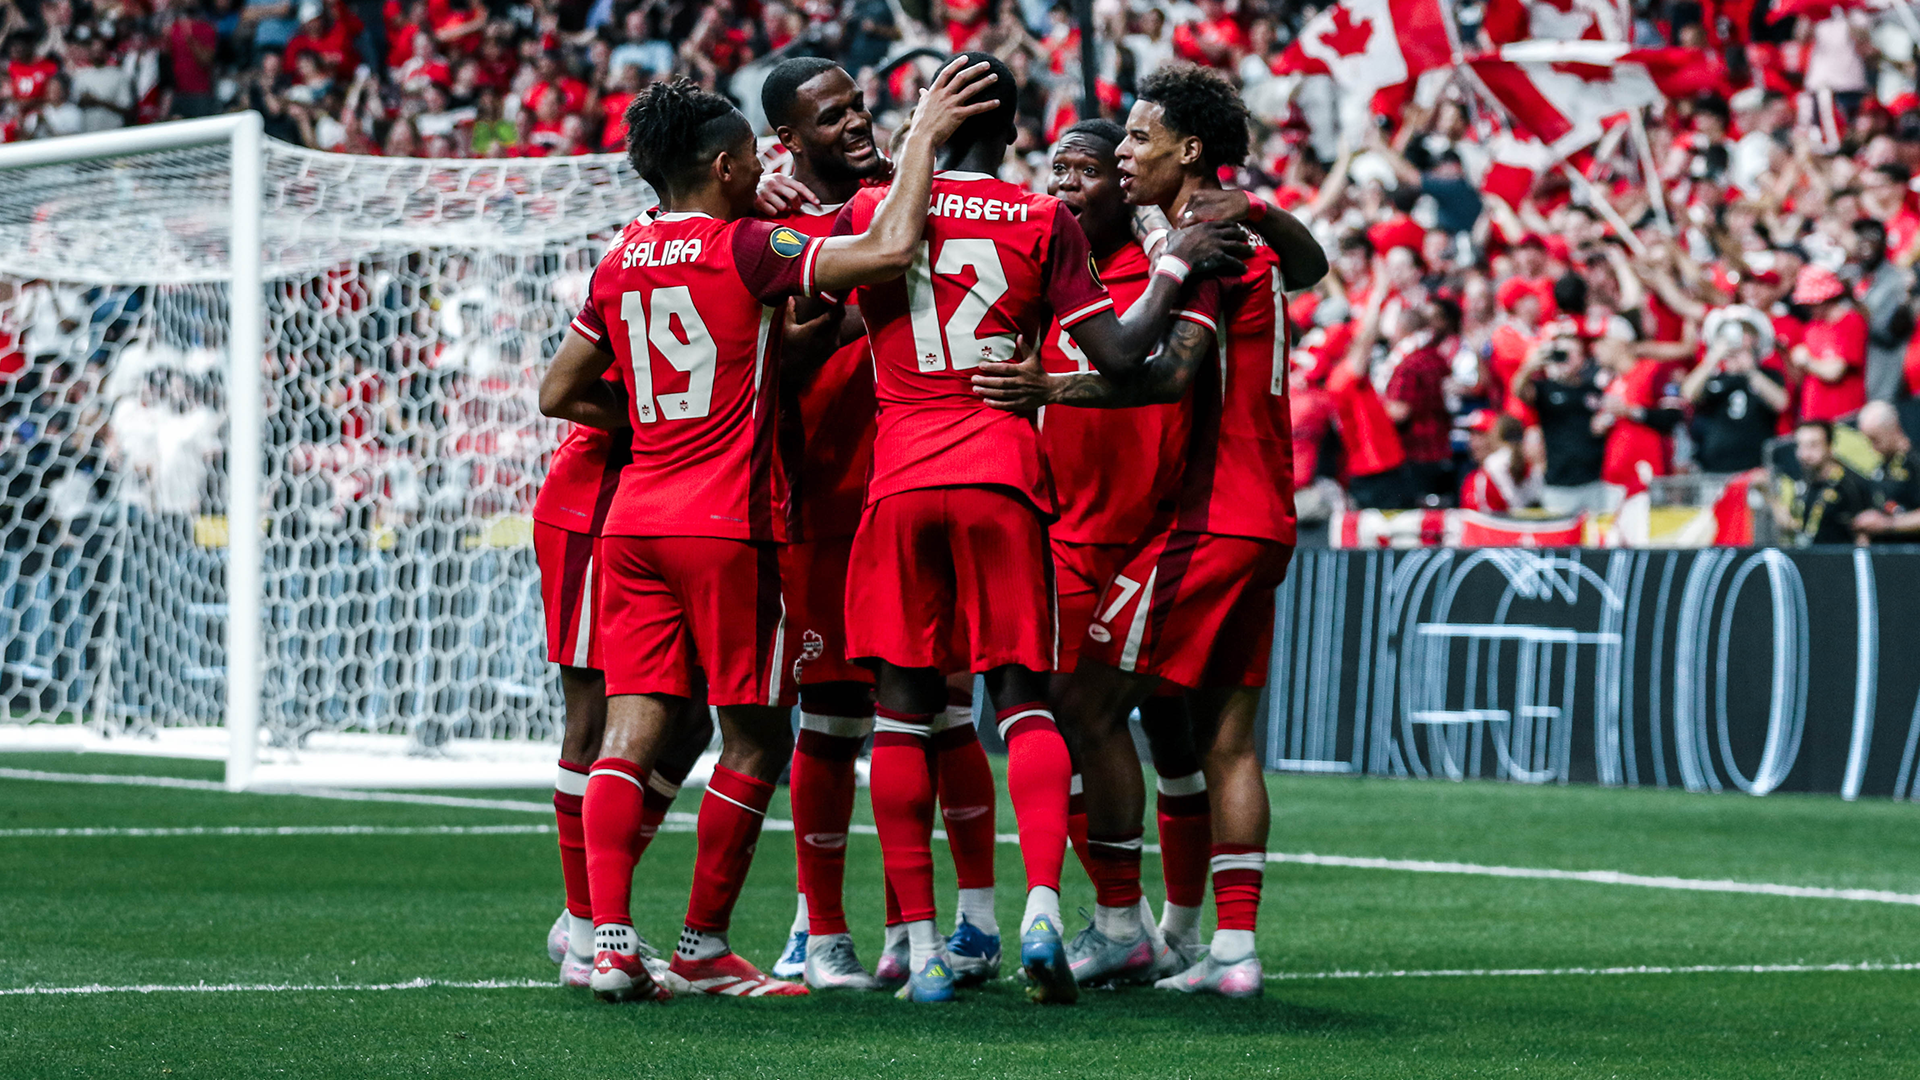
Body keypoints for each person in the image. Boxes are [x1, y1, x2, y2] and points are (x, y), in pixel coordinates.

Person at [537, 59, 1004, 1004]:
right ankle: (704, 940)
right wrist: (924, 140)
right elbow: (887, 251)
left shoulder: (622, 253)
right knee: (757, 737)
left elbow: (558, 392)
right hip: (728, 521)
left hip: (635, 520)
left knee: (632, 730)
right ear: (721, 164)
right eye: (752, 157)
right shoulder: (746, 248)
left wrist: (658, 420)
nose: (761, 172)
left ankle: (604, 939)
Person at [834, 51, 1250, 1005]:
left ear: (927, 122)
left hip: (898, 476)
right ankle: (1036, 909)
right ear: (1014, 136)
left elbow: (810, 301)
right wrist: (1176, 260)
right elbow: (1122, 349)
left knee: (901, 709)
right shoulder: (1041, 217)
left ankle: (923, 941)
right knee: (1025, 700)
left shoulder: (871, 217)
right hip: (1003, 474)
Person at [975, 61, 1327, 1000]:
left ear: (1190, 150)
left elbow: (1166, 374)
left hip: (1210, 516)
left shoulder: (1205, 240)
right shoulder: (1234, 228)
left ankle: (1123, 925)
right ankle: (1236, 953)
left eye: (1137, 138)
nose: (1123, 152)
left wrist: (1049, 385)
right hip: (1263, 518)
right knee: (1226, 739)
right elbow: (1310, 263)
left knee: (1081, 705)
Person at [753, 55, 1002, 994]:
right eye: (831, 116)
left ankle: (934, 926)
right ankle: (819, 932)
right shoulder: (774, 226)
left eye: (859, 107)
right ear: (787, 141)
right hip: (822, 495)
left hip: (919, 489)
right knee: (829, 719)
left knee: (939, 712)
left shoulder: (917, 204)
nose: (856, 124)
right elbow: (767, 356)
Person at [1034, 118, 1217, 983]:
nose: (1063, 184)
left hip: (1159, 531)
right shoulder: (1040, 271)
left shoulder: (1165, 273)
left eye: (1082, 170)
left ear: (1126, 182)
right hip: (1067, 534)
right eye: (1053, 169)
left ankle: (1172, 926)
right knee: (1081, 719)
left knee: (1169, 728)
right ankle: (1130, 916)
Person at [530, 368, 713, 991]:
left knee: (689, 721)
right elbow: (564, 390)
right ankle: (585, 936)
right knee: (593, 722)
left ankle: (583, 910)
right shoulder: (638, 273)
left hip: (670, 509)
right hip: (598, 506)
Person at [1512, 325, 1613, 516]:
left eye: (1571, 353)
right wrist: (1529, 366)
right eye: (1561, 352)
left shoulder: (1594, 390)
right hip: (1559, 483)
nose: (1565, 358)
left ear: (1582, 358)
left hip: (1594, 481)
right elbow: (1519, 391)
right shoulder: (1546, 389)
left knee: (1597, 540)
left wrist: (1605, 422)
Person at [1682, 317, 1789, 474]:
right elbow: (1688, 395)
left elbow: (1781, 403)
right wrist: (1712, 359)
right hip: (1714, 469)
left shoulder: (1768, 376)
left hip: (1755, 468)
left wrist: (1750, 371)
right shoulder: (1714, 379)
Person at [1775, 419, 1876, 545]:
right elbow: (1795, 526)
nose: (1804, 454)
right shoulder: (1801, 484)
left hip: (1840, 560)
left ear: (1830, 446)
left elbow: (1864, 537)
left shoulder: (1850, 485)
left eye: (1813, 445)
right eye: (1800, 446)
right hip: (1808, 559)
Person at [1789, 265, 1868, 422]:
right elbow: (1798, 377)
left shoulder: (1851, 321)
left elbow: (1834, 372)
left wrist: (1807, 361)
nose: (1807, 307)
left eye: (1811, 302)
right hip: (1813, 416)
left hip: (1844, 414)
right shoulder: (1812, 327)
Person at [1854, 400, 1920, 542]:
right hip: (1886, 555)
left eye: (1875, 439)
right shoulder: (1882, 465)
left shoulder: (1915, 462)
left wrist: (1888, 524)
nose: (1872, 447)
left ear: (1893, 429)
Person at [1458, 410, 1531, 513]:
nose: (1474, 443)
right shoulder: (1471, 479)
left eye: (1481, 435)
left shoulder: (1522, 469)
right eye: (1472, 435)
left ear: (1497, 437)